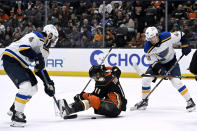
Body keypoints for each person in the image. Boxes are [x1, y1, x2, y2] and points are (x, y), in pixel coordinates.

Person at [1, 24, 59, 127]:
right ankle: (17, 115)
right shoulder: (36, 36)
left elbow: (39, 69)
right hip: (11, 58)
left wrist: (48, 83)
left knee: (33, 88)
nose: (54, 41)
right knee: (25, 86)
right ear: (49, 35)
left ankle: (15, 107)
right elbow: (23, 48)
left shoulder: (45, 51)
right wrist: (37, 57)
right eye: (54, 38)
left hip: (22, 64)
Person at [133, 26, 196, 112]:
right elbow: (153, 63)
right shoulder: (147, 47)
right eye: (150, 39)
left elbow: (182, 35)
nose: (152, 40)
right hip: (158, 64)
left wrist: (185, 45)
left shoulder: (167, 36)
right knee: (146, 79)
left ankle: (189, 101)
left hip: (171, 62)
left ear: (157, 34)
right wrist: (161, 71)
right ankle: (144, 101)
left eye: (153, 37)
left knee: (176, 82)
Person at [58, 65, 127, 118]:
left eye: (94, 77)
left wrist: (82, 96)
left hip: (113, 107)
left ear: (98, 74)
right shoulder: (113, 73)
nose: (94, 79)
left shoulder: (102, 82)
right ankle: (71, 107)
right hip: (116, 106)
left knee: (92, 99)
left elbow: (95, 96)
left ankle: (70, 109)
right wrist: (103, 68)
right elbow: (116, 69)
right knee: (93, 99)